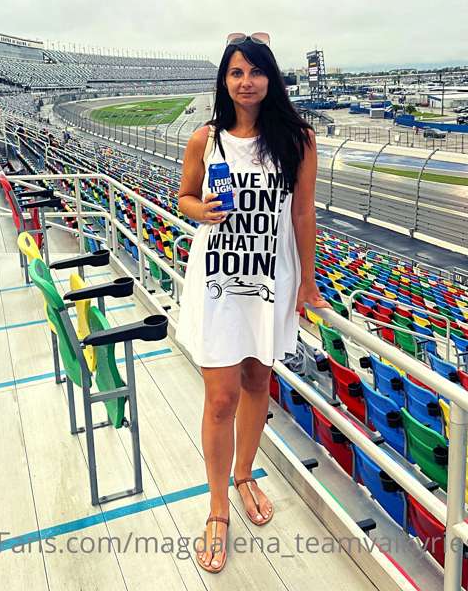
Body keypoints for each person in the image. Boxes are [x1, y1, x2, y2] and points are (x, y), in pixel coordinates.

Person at [175, 32, 332, 574]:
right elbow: (184, 197)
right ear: (224, 80)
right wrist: (201, 211)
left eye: (256, 71)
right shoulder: (206, 139)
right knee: (220, 398)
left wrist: (308, 283)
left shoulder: (297, 139)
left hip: (270, 279)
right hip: (218, 280)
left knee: (257, 383)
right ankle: (218, 505)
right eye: (237, 72)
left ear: (272, 78)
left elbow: (303, 213)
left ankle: (245, 474)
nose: (247, 82)